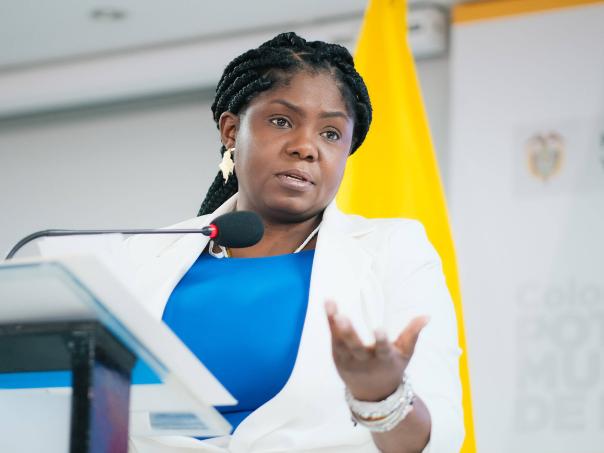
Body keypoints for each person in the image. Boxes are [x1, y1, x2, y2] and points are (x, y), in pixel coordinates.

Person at [127, 32, 463, 453]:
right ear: (231, 131)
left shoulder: (393, 251)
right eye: (282, 121)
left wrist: (381, 396)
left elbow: (438, 438)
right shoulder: (142, 255)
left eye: (331, 134)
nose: (306, 147)